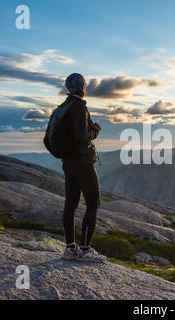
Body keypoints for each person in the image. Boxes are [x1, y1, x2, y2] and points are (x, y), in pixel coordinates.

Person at [60, 73, 106, 263]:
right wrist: (95, 129)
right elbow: (82, 136)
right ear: (83, 87)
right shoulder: (79, 107)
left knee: (70, 204)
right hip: (83, 163)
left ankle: (70, 248)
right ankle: (85, 249)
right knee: (93, 204)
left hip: (68, 162)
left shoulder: (63, 107)